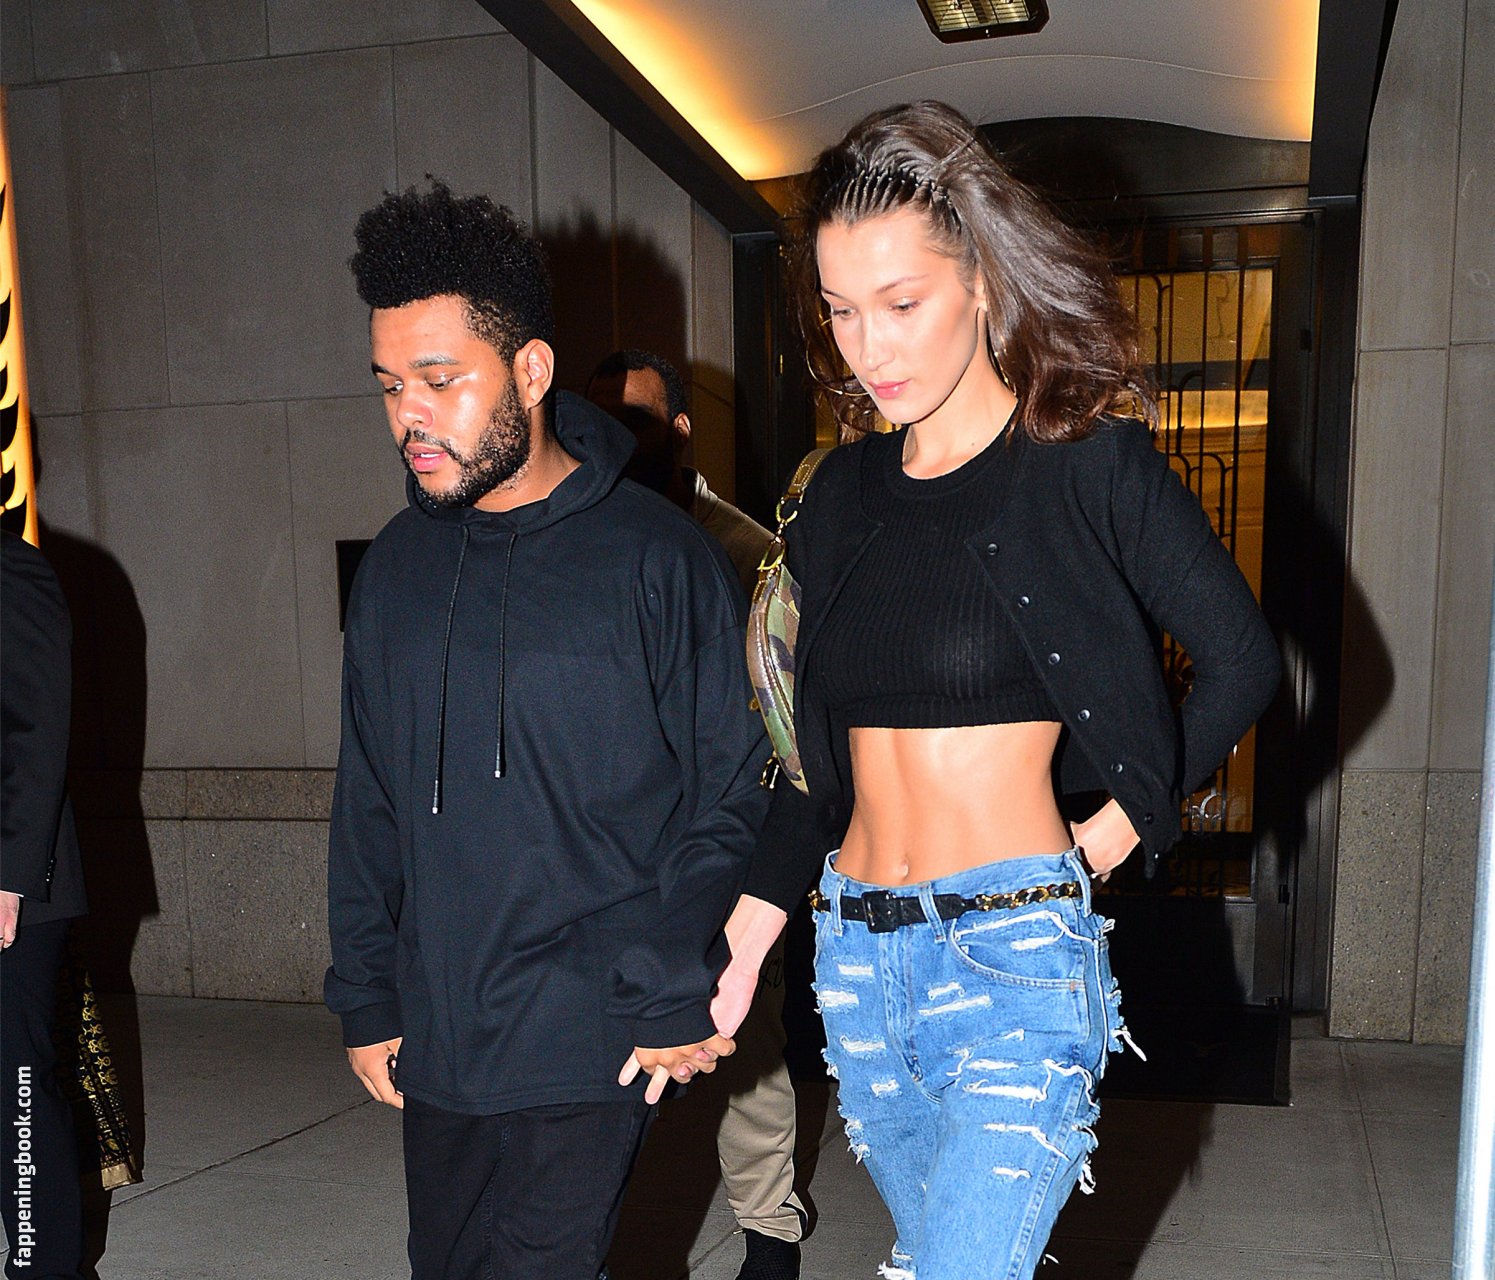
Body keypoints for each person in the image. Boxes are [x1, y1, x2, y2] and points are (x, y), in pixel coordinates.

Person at [706, 102, 1282, 1280]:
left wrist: (1109, 832)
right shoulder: (838, 497)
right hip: (856, 963)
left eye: (900, 303)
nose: (868, 347)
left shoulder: (1084, 464)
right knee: (939, 1253)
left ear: (979, 278)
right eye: (841, 310)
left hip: (1012, 953)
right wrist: (744, 940)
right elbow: (813, 769)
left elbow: (1242, 660)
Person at [324, 180, 769, 1280]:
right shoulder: (396, 567)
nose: (410, 416)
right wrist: (367, 991)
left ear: (529, 371)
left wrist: (669, 972)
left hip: (595, 1028)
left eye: (440, 381)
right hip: (443, 1033)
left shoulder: (655, 558)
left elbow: (730, 791)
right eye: (390, 385)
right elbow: (367, 797)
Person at [588, 350, 806, 1280]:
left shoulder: (747, 549)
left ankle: (769, 1233)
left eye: (637, 420)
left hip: (729, 837)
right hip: (616, 848)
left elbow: (785, 718)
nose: (616, 439)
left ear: (679, 431)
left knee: (747, 1038)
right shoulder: (584, 540)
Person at [1, 529, 89, 1280]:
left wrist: (9, 878)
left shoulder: (10, 570)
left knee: (15, 1089)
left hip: (12, 890)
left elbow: (38, 731)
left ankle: (44, 1266)